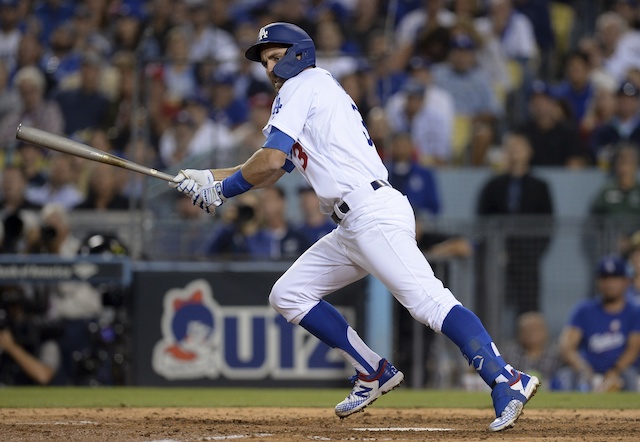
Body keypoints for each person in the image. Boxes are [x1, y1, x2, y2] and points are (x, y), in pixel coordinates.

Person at [170, 22, 539, 432]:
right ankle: (372, 371)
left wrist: (222, 190)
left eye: (276, 57)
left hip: (370, 212)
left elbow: (270, 161)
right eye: (265, 61)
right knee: (290, 294)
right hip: (353, 222)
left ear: (298, 55)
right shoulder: (312, 90)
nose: (270, 68)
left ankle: (508, 378)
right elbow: (273, 169)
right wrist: (210, 177)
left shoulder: (302, 85)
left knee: (428, 303)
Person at [476, 131, 554, 316]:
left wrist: (533, 252)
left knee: (528, 306)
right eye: (510, 149)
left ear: (529, 152)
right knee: (492, 305)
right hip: (497, 256)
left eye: (518, 148)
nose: (514, 153)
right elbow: (483, 221)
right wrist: (493, 250)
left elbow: (548, 223)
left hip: (527, 258)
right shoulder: (493, 186)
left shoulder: (540, 186)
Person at [557, 254, 640, 392]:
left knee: (630, 377)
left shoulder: (635, 312)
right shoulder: (584, 309)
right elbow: (567, 347)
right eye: (605, 278)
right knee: (565, 377)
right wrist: (583, 368)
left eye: (615, 278)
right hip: (588, 372)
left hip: (621, 372)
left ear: (626, 281)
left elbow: (633, 350)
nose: (609, 283)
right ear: (598, 282)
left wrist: (614, 372)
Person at [500, 312, 562, 389]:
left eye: (536, 329)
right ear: (519, 333)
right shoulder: (509, 352)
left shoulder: (557, 353)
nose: (532, 333)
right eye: (527, 330)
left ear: (545, 332)